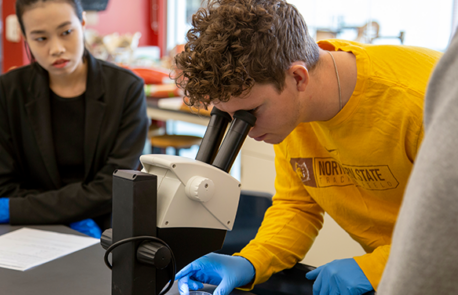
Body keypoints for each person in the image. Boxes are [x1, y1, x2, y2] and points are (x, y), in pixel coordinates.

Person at [172, 0, 442, 294]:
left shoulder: (424, 103)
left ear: (298, 77)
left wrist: (377, 269)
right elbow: (297, 207)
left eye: (250, 114)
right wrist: (250, 262)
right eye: (232, 118)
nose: (246, 132)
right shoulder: (291, 111)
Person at [0, 0, 149, 238]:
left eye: (66, 32)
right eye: (40, 38)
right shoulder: (7, 91)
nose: (56, 48)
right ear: (25, 38)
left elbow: (114, 185)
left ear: (83, 23)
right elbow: (4, 185)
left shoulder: (126, 89)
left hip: (107, 228)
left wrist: (40, 209)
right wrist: (62, 215)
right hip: (28, 231)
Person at [376, 31, 458, 294]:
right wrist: (253, 260)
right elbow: (296, 204)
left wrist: (371, 268)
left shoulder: (410, 98)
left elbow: (441, 218)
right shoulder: (292, 122)